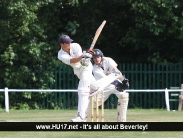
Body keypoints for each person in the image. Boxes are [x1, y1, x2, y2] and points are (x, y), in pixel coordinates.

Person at [57, 35, 95, 122]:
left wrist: (86, 57)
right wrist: (83, 56)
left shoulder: (76, 45)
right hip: (78, 71)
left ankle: (81, 117)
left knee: (82, 90)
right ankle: (113, 76)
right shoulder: (60, 54)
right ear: (61, 44)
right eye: (67, 43)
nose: (69, 44)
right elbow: (72, 60)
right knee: (96, 87)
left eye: (70, 42)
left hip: (86, 68)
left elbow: (82, 62)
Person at [86, 49, 129, 122]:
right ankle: (82, 117)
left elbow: (116, 70)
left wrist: (123, 79)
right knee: (93, 103)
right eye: (94, 57)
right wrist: (115, 83)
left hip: (115, 83)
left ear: (101, 56)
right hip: (104, 86)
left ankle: (121, 118)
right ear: (92, 59)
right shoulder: (95, 69)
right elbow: (106, 80)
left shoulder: (108, 60)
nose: (96, 59)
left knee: (124, 96)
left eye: (98, 57)